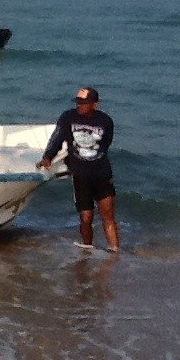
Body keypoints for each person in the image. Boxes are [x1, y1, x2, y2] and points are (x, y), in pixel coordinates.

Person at [37, 86, 120, 252]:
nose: (79, 106)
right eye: (78, 102)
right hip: (80, 176)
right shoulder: (68, 117)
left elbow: (105, 144)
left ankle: (114, 252)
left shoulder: (105, 121)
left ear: (94, 104)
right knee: (86, 217)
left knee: (107, 215)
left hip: (102, 173)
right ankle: (87, 249)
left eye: (84, 103)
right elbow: (57, 138)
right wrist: (48, 157)